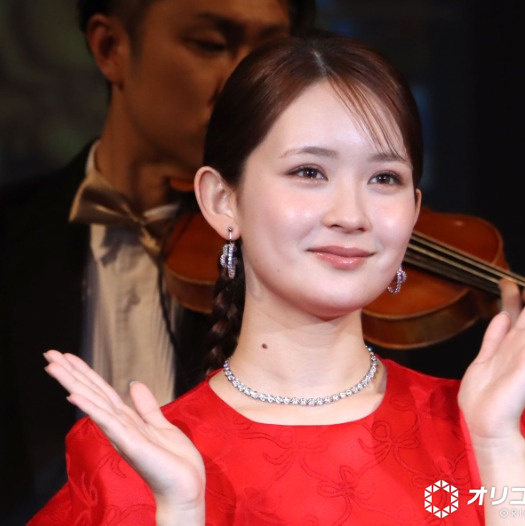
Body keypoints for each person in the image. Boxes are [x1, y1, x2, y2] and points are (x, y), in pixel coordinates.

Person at [29, 33, 525, 525]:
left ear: (414, 210)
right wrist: (180, 509)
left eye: (384, 179)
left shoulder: (489, 422)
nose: (351, 215)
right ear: (222, 200)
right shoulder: (132, 464)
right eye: (309, 171)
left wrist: (495, 445)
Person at [0, 0, 315, 522]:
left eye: (270, 56)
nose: (245, 84)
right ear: (111, 49)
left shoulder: (299, 258)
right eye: (210, 45)